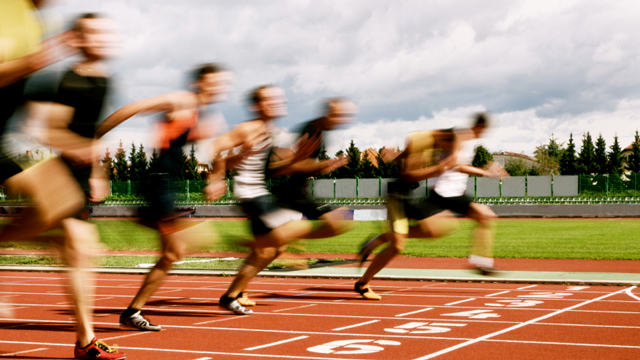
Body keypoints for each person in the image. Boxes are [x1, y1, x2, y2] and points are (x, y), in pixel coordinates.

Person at [0, 8, 126, 359]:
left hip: (32, 155)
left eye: (106, 33)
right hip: (15, 151)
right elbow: (49, 130)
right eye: (94, 33)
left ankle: (86, 341)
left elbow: (85, 130)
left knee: (77, 243)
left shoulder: (101, 80)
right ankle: (85, 341)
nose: (103, 39)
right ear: (80, 38)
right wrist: (39, 57)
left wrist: (97, 169)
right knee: (73, 234)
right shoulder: (64, 76)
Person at [96, 63, 233, 331]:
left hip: (169, 185)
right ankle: (132, 312)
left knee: (181, 247)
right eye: (215, 82)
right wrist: (93, 136)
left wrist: (217, 176)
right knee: (176, 251)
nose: (220, 88)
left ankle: (142, 219)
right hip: (159, 184)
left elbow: (218, 147)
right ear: (200, 82)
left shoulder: (203, 114)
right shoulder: (181, 100)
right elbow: (132, 108)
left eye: (223, 84)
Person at [210, 85, 351, 314]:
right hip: (250, 195)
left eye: (279, 98)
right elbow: (216, 147)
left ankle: (230, 296)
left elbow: (276, 169)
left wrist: (311, 163)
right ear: (256, 106)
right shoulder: (248, 128)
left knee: (269, 252)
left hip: (262, 194)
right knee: (333, 222)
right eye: (270, 99)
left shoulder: (270, 131)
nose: (278, 102)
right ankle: (250, 243)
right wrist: (216, 179)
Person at [354, 128, 460, 300]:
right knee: (397, 246)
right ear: (445, 140)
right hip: (397, 196)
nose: (446, 152)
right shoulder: (420, 140)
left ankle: (382, 238)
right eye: (447, 148)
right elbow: (408, 175)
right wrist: (441, 168)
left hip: (410, 194)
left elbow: (405, 160)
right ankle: (363, 284)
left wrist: (394, 158)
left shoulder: (434, 143)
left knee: (438, 228)